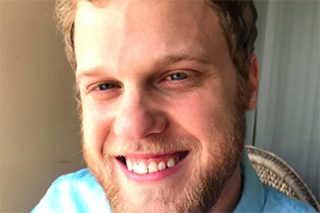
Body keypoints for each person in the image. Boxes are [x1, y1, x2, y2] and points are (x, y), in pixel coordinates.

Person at [32, 0, 317, 212]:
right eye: (105, 86)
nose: (133, 127)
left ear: (249, 84)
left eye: (177, 76)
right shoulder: (62, 203)